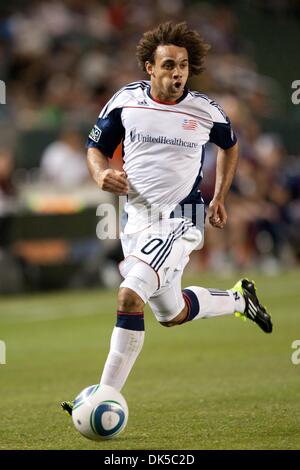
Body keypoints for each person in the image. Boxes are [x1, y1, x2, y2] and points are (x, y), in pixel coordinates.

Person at [61, 22, 272, 415]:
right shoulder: (125, 102)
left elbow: (230, 145)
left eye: (184, 66)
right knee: (171, 314)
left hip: (183, 216)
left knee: (129, 295)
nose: (178, 74)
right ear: (149, 68)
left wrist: (220, 197)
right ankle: (240, 300)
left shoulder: (205, 110)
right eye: (170, 65)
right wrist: (99, 173)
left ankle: (102, 400)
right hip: (136, 220)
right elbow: (96, 147)